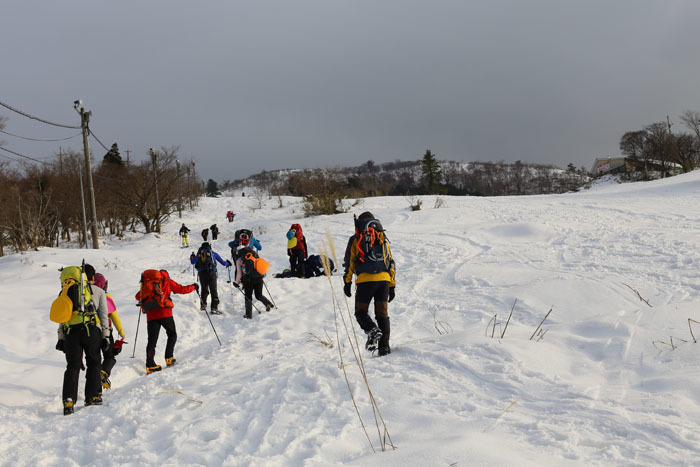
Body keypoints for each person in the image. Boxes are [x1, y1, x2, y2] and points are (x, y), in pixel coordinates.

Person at [56, 263, 110, 414]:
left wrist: (61, 337)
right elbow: (103, 316)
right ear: (91, 277)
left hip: (71, 332)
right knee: (93, 362)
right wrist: (106, 337)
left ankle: (68, 400)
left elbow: (62, 317)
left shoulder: (64, 292)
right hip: (91, 330)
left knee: (72, 366)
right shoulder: (99, 291)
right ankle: (92, 396)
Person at [343, 212, 396, 357]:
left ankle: (372, 330)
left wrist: (347, 283)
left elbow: (349, 263)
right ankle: (384, 348)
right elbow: (390, 262)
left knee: (360, 312)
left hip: (365, 282)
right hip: (384, 281)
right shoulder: (382, 238)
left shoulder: (356, 239)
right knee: (382, 314)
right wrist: (392, 285)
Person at [135, 270, 197, 374]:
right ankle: (169, 357)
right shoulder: (168, 281)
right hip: (165, 313)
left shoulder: (148, 283)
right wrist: (194, 286)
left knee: (152, 340)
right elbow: (182, 289)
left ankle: (150, 365)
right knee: (172, 334)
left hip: (151, 315)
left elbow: (138, 296)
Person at [92, 272, 126, 390]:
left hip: (91, 332)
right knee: (110, 357)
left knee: (94, 360)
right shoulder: (106, 297)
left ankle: (95, 389)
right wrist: (121, 332)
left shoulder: (87, 296)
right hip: (107, 331)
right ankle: (104, 372)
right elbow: (114, 316)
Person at [190, 242, 231, 315]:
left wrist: (192, 257)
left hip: (202, 273)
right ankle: (214, 308)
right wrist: (228, 263)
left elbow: (192, 262)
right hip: (211, 272)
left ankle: (203, 305)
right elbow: (223, 263)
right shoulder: (213, 254)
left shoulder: (199, 255)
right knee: (213, 290)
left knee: (204, 289)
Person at [233, 246, 273, 319]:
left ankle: (248, 314)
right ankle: (268, 303)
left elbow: (239, 273)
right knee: (259, 295)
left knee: (248, 297)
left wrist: (236, 282)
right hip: (259, 277)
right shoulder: (254, 254)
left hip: (248, 280)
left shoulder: (239, 260)